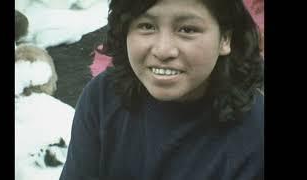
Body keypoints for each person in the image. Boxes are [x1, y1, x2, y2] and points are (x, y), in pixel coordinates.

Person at [59, 0, 264, 179]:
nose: (163, 50)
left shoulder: (256, 135)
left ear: (225, 39)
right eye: (147, 26)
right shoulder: (102, 97)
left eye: (187, 29)